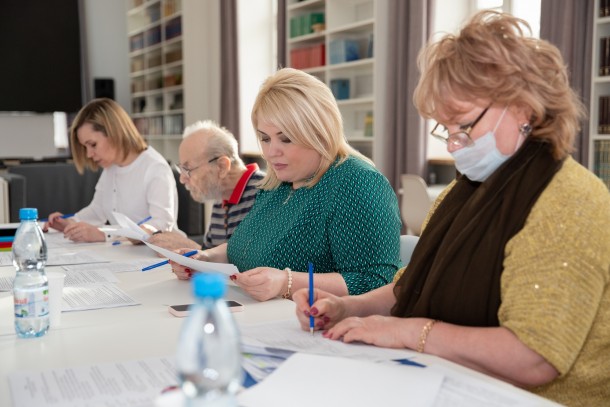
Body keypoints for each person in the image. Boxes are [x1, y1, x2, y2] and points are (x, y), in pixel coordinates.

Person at [293, 10, 610, 407]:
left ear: (524, 108)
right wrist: (345, 308)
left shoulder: (570, 202)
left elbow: (535, 358)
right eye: (446, 129)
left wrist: (411, 332)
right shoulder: (462, 194)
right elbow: (411, 287)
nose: (454, 144)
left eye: (464, 125)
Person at [170, 68, 402, 301]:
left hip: (322, 329)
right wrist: (206, 258)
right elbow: (243, 249)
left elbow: (375, 281)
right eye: (265, 138)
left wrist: (287, 282)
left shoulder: (356, 182)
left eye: (286, 139)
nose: (271, 152)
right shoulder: (275, 185)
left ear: (319, 132)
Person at [44, 98, 179, 242]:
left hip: (158, 257)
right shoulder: (111, 168)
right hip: (124, 255)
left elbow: (161, 225)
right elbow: (97, 211)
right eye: (85, 147)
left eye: (93, 144)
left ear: (114, 132)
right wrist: (70, 223)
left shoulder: (155, 167)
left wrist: (105, 235)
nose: (89, 154)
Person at [148, 120, 264, 250]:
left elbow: (254, 265)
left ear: (221, 166)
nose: (182, 179)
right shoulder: (221, 197)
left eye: (188, 169)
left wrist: (191, 248)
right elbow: (211, 253)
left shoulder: (266, 194)